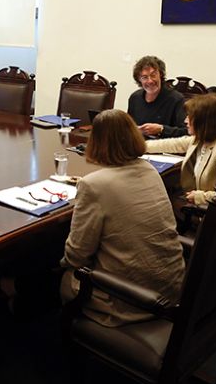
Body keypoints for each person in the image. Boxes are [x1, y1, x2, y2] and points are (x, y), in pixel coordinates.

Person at [60, 109, 185, 326]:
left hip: (130, 300)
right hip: (171, 288)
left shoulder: (94, 184)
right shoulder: (150, 170)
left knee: (64, 278)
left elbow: (77, 256)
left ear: (96, 142)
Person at [145, 92, 216, 206]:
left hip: (209, 214)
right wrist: (139, 146)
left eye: (189, 117)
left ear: (203, 121)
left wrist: (201, 197)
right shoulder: (201, 138)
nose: (185, 121)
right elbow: (172, 144)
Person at [126, 55, 187, 138]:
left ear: (160, 75)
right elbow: (129, 128)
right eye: (144, 77)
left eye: (153, 75)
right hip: (138, 145)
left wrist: (161, 129)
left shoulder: (176, 99)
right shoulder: (135, 98)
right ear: (139, 80)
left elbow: (186, 131)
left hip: (165, 147)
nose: (150, 81)